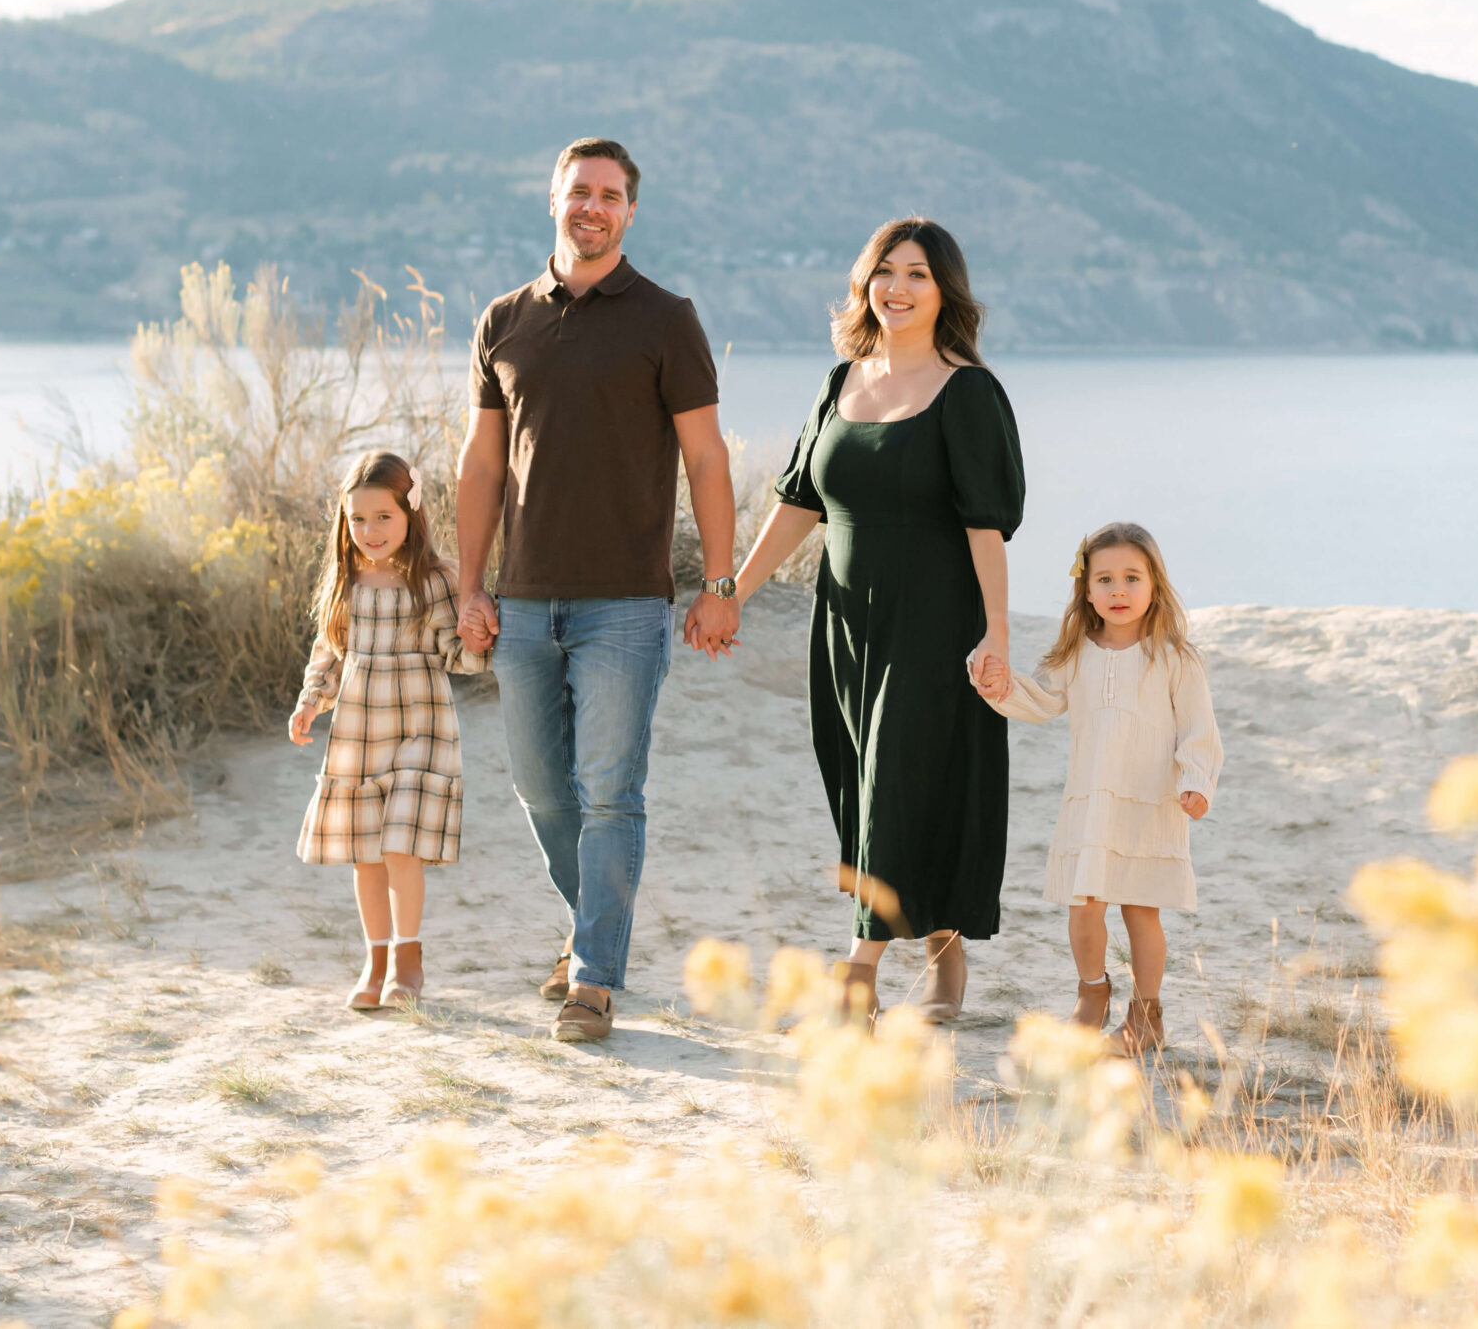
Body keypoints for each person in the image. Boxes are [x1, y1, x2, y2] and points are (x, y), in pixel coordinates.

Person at [453, 137, 742, 1044]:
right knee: (542, 789)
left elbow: (706, 456)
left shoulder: (666, 319)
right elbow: (481, 464)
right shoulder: (504, 319)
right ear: (552, 201)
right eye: (580, 191)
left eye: (611, 196)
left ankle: (593, 981)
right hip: (525, 600)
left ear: (630, 212)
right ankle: (592, 935)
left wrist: (720, 582)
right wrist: (467, 584)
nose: (594, 207)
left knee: (610, 790)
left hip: (626, 602)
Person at [726, 217, 1024, 1025]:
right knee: (869, 792)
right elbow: (798, 503)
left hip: (934, 623)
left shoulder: (968, 392)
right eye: (885, 270)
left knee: (897, 780)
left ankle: (857, 970)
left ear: (945, 290)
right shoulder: (841, 380)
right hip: (845, 623)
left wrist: (996, 633)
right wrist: (735, 590)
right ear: (865, 282)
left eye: (918, 273)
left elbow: (985, 527)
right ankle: (945, 956)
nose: (898, 286)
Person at [974, 522, 1221, 1057]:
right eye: (1104, 579)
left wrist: (1197, 783)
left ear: (1155, 583)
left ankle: (1146, 1015)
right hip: (1090, 801)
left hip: (1151, 802)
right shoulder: (1076, 654)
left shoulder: (1176, 657)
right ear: (1086, 589)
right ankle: (1092, 995)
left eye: (1132, 577)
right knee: (1084, 906)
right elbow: (1039, 700)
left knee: (1140, 909)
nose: (1118, 590)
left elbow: (1199, 731)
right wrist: (1000, 686)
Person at [288, 450, 485, 1012]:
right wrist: (309, 704)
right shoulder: (345, 580)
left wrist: (476, 638)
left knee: (401, 846)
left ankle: (408, 960)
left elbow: (459, 659)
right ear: (343, 521)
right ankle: (374, 960)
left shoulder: (438, 579)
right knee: (366, 854)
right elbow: (329, 653)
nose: (370, 531)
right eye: (358, 519)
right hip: (358, 730)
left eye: (384, 517)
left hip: (421, 728)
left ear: (410, 514)